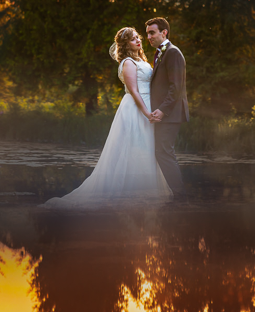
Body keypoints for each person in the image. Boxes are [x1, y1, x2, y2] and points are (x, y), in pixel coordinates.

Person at [43, 27, 172, 208]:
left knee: (147, 148)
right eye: (133, 39)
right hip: (136, 109)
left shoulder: (142, 60)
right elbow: (134, 91)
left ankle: (144, 191)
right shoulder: (128, 62)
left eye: (138, 37)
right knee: (134, 147)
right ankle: (129, 193)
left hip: (148, 106)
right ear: (126, 44)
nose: (138, 40)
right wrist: (145, 112)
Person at [145, 17, 189, 196]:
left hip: (171, 114)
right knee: (162, 152)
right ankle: (175, 194)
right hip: (165, 114)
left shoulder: (173, 53)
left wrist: (162, 110)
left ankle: (180, 195)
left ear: (164, 33)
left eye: (152, 32)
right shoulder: (161, 52)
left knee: (164, 152)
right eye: (147, 33)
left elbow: (176, 87)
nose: (148, 36)